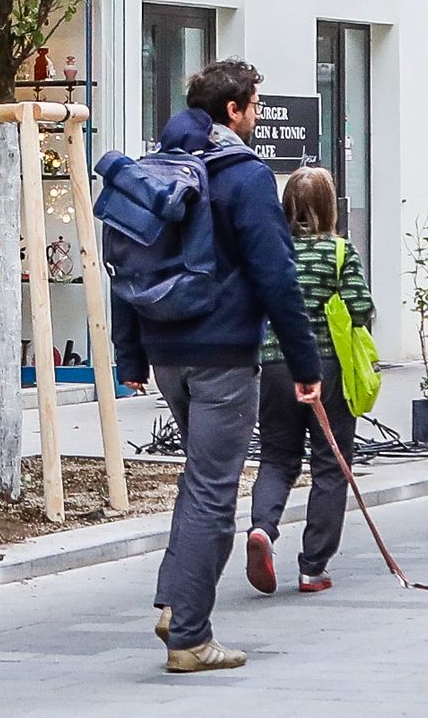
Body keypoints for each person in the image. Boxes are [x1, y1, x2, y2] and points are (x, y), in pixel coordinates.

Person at [105, 61, 320, 677]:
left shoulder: (157, 168)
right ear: (233, 110)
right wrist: (305, 364)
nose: (256, 117)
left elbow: (126, 266)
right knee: (212, 490)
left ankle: (177, 605)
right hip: (223, 354)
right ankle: (192, 638)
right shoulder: (245, 175)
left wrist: (132, 355)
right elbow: (277, 276)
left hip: (167, 351)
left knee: (196, 482)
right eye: (254, 105)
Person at [244, 166, 373, 601]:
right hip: (326, 369)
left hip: (273, 369)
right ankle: (313, 566)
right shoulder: (339, 252)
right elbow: (361, 307)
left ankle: (262, 528)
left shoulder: (271, 253)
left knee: (277, 457)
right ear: (328, 207)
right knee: (330, 464)